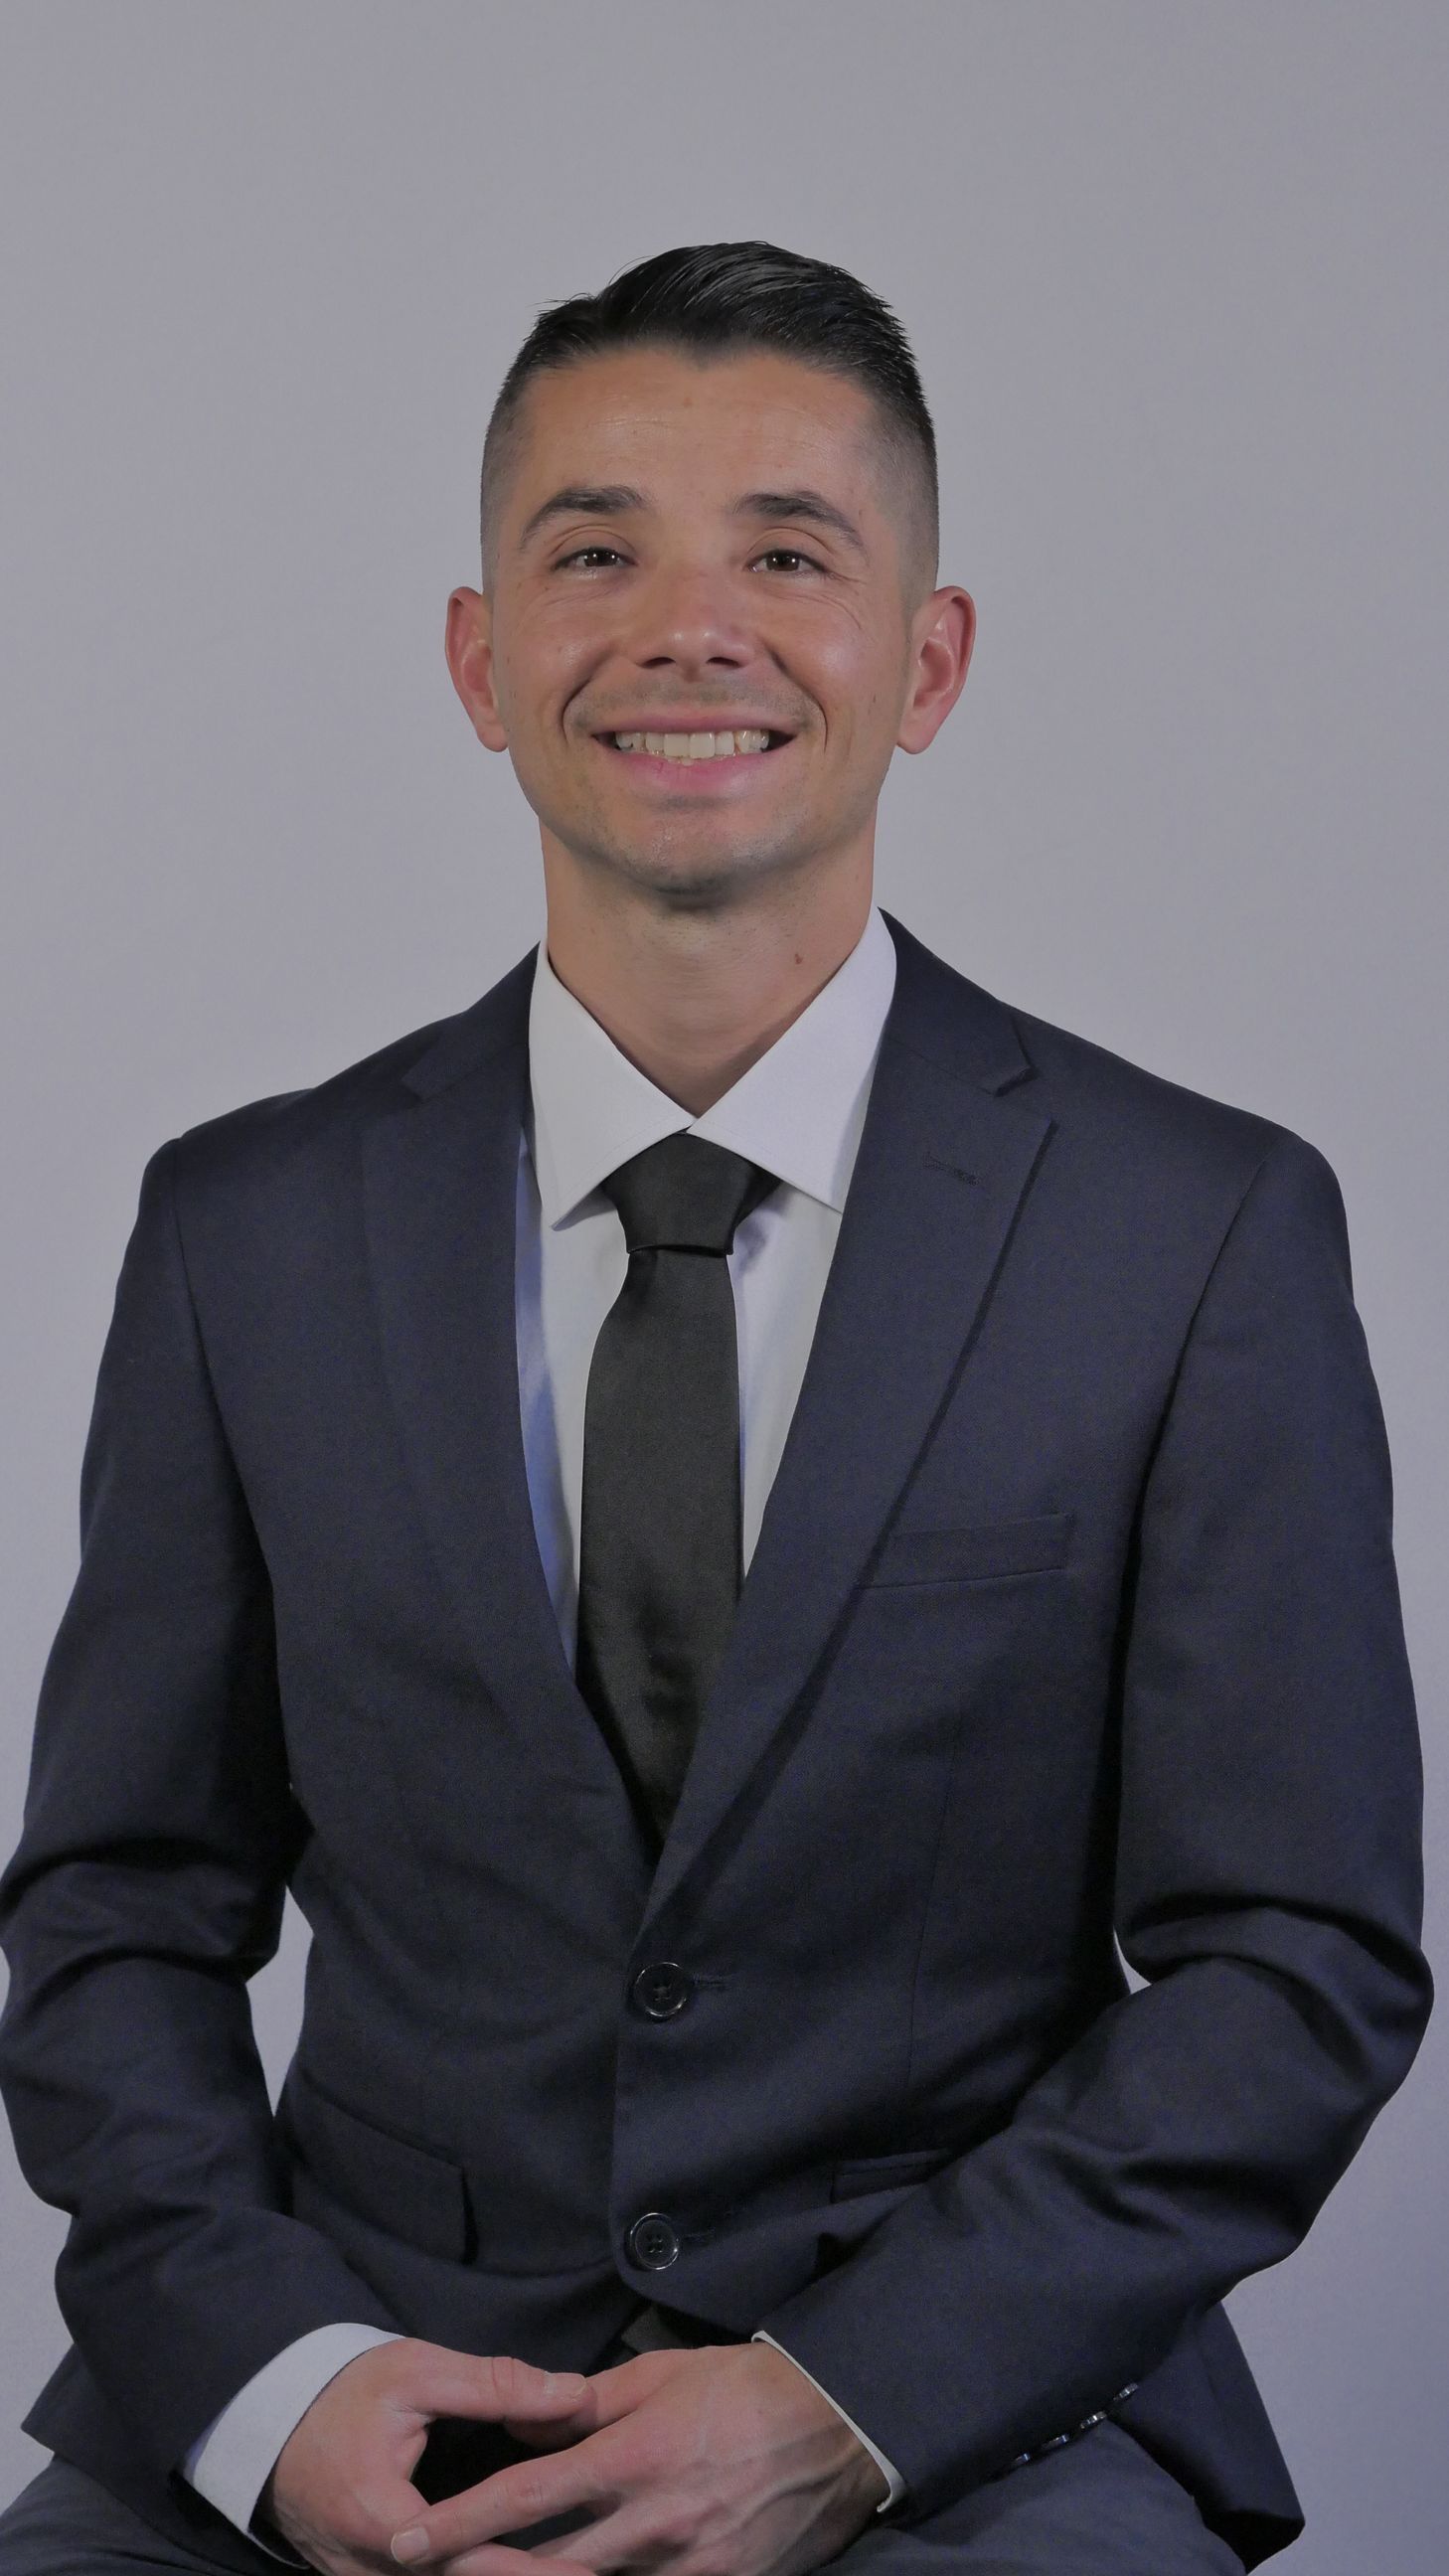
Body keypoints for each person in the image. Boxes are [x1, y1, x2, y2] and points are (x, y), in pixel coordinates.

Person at [0, 240, 1430, 2576]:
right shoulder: (240, 1230)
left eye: (788, 551)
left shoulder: (1198, 1233)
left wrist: (844, 2406)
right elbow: (121, 1910)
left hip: (966, 2431)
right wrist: (275, 2386)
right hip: (365, 2392)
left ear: (928, 660)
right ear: (481, 660)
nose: (692, 627)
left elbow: (1296, 1961)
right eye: (594, 553)